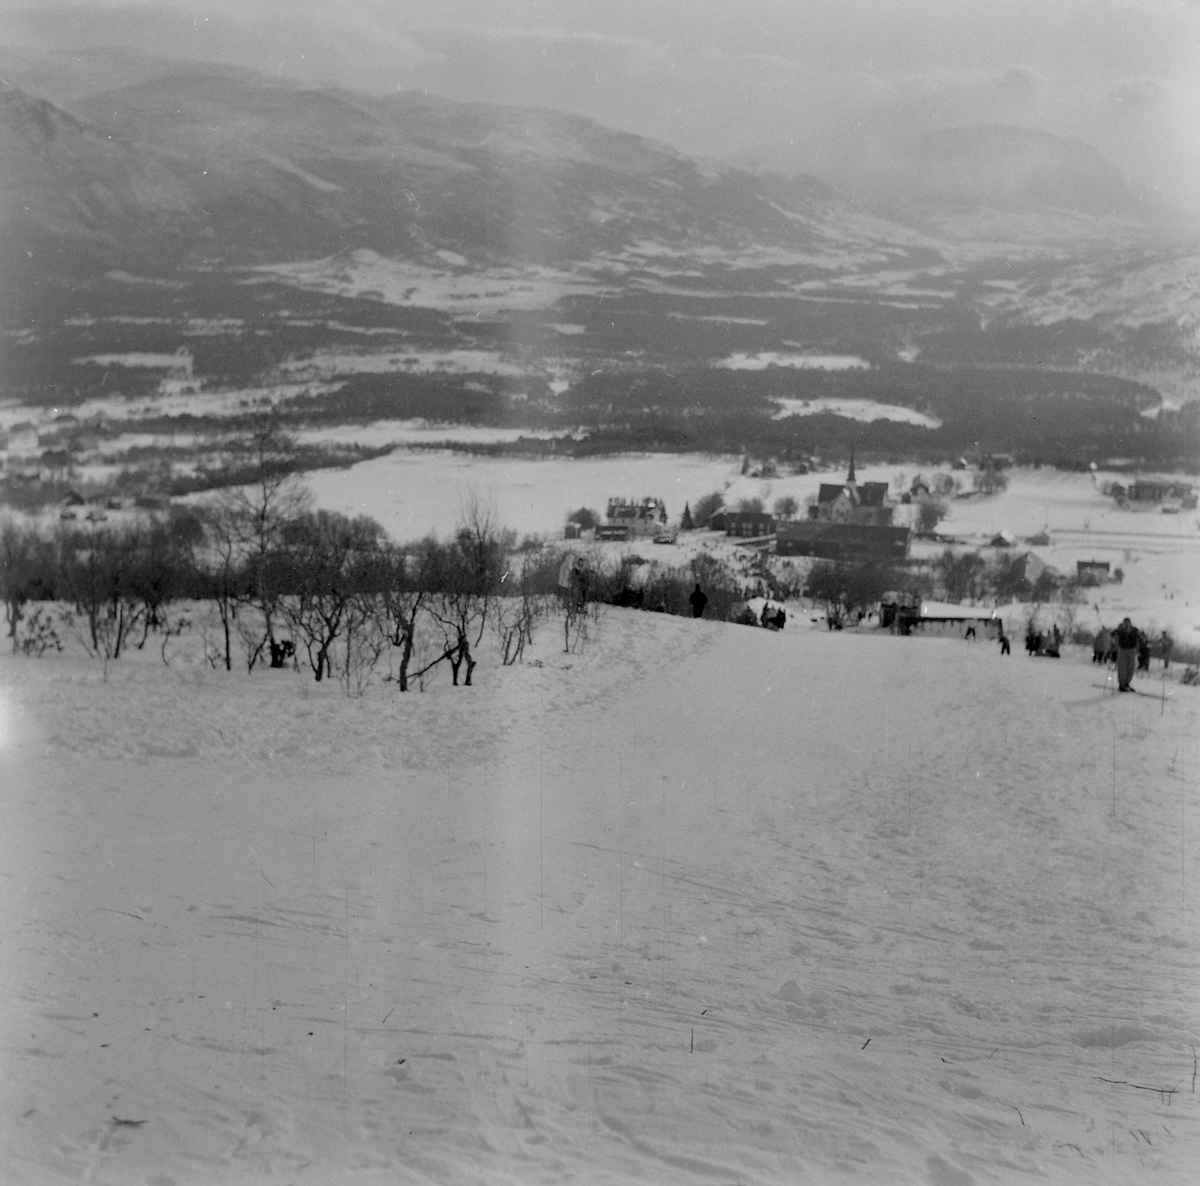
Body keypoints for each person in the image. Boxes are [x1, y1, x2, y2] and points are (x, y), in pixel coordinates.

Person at [1113, 617, 1139, 692]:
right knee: (1122, 667)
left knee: (1130, 668)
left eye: (1128, 623)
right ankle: (1122, 684)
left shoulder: (1134, 630)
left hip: (1131, 651)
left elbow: (1138, 638)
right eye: (1125, 623)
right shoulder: (1120, 630)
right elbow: (1113, 634)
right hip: (1122, 650)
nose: (1127, 624)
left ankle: (1127, 683)